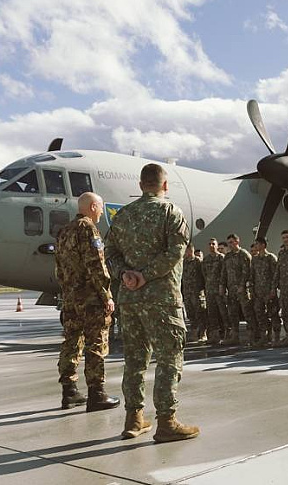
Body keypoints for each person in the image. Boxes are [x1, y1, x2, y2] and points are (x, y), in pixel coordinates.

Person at [105, 163, 199, 442]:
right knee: (169, 359)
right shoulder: (171, 213)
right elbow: (175, 254)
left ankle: (133, 419)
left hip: (130, 299)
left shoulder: (122, 215)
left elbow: (109, 252)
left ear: (141, 185)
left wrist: (125, 274)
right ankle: (166, 422)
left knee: (134, 359)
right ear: (165, 186)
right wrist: (145, 276)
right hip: (162, 299)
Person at [54, 192, 120, 412]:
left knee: (71, 342)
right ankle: (96, 394)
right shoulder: (88, 228)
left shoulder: (63, 232)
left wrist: (67, 293)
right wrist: (107, 295)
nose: (101, 212)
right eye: (100, 207)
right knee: (96, 344)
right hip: (90, 298)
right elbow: (96, 265)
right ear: (93, 207)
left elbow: (59, 270)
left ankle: (69, 391)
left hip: (71, 298)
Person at [219, 234, 254, 346]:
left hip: (242, 290)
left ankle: (252, 336)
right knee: (232, 314)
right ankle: (235, 336)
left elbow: (247, 272)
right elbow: (224, 272)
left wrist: (242, 285)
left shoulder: (244, 255)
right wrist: (222, 286)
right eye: (229, 242)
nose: (230, 244)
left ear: (237, 242)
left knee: (247, 313)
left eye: (232, 242)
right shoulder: (228, 257)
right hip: (231, 290)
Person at [250, 237, 278, 347]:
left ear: (263, 245)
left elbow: (275, 275)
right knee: (260, 314)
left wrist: (273, 289)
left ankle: (276, 337)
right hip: (258, 292)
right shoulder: (255, 259)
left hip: (268, 292)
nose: (255, 246)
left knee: (273, 314)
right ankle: (264, 336)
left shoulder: (271, 258)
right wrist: (252, 290)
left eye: (257, 244)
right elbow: (252, 276)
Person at [202, 238, 227, 345]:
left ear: (217, 246)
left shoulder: (221, 258)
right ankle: (215, 335)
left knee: (223, 313)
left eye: (213, 244)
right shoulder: (206, 259)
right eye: (210, 244)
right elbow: (204, 274)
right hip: (210, 290)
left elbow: (224, 273)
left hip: (219, 290)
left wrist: (222, 286)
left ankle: (227, 334)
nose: (211, 246)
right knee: (212, 313)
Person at [181, 245, 207, 344]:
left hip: (197, 292)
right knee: (191, 313)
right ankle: (194, 333)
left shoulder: (198, 262)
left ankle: (203, 333)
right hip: (187, 292)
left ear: (191, 250)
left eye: (188, 250)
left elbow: (204, 275)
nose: (187, 252)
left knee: (200, 313)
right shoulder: (184, 262)